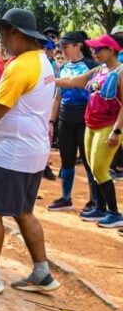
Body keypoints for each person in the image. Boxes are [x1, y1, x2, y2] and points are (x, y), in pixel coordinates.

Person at [0, 8, 60, 295]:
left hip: (11, 152)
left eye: (3, 34)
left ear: (16, 33)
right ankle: (42, 272)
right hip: (32, 150)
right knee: (23, 211)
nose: (2, 41)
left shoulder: (20, 66)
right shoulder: (42, 61)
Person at [56, 34, 123, 229]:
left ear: (111, 50)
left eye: (98, 49)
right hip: (91, 124)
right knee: (93, 169)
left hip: (108, 126)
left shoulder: (120, 72)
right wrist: (50, 80)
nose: (94, 52)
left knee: (100, 169)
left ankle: (115, 213)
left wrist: (117, 131)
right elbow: (73, 81)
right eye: (93, 48)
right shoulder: (99, 69)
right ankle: (100, 208)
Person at [47, 31, 99, 213]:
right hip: (65, 118)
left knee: (88, 161)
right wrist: (51, 121)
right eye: (61, 47)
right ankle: (66, 198)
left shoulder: (92, 66)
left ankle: (94, 200)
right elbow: (57, 97)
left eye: (66, 46)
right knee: (66, 160)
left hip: (85, 118)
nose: (62, 50)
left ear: (78, 46)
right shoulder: (62, 68)